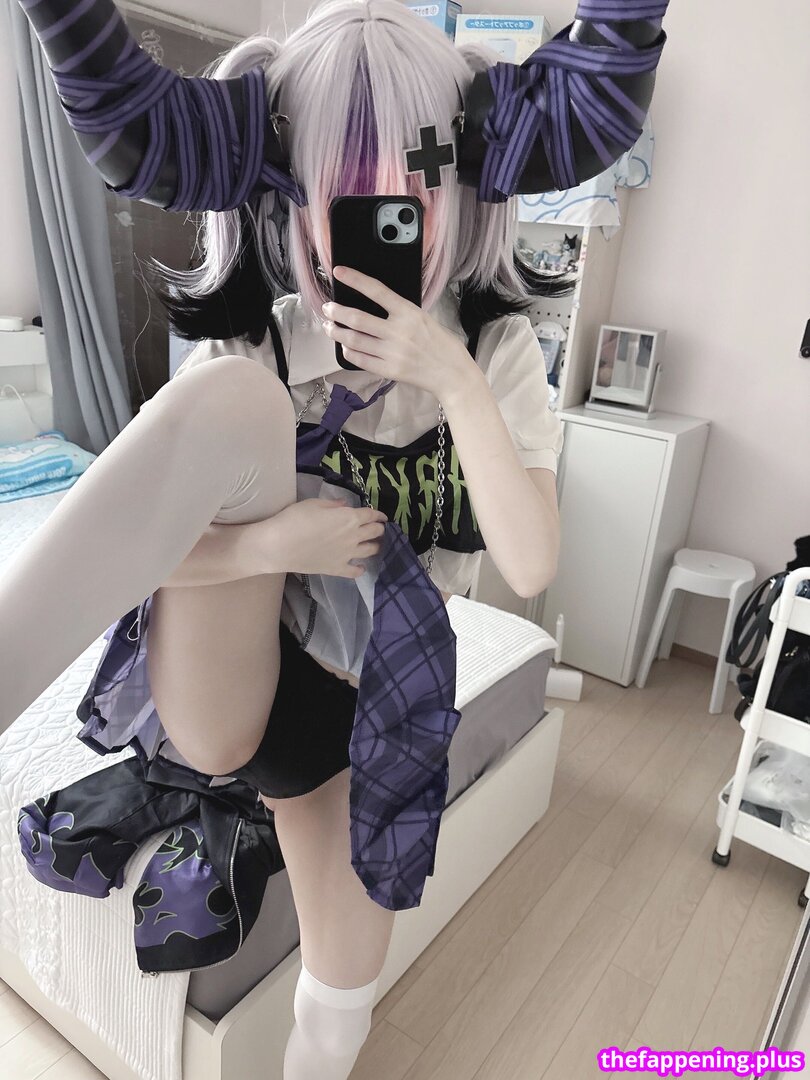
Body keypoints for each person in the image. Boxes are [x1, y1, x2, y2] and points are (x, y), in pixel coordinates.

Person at [2, 0, 668, 1075]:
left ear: (455, 194)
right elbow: (145, 562)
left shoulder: (493, 350)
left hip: (365, 698)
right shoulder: (256, 341)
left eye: (408, 193)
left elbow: (531, 560)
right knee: (234, 402)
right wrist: (276, 548)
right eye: (339, 192)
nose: (376, 220)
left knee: (349, 975)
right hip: (235, 668)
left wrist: (451, 378)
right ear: (294, 198)